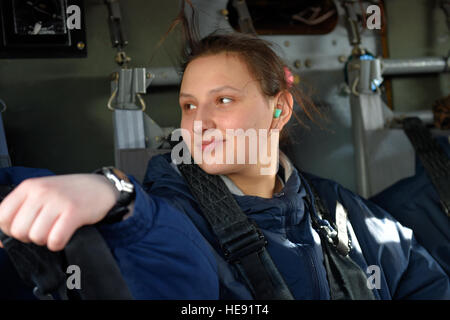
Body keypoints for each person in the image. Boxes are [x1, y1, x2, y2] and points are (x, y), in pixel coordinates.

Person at [0, 2, 449, 300]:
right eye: (188, 105)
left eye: (224, 100)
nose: (200, 121)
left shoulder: (348, 215)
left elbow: (422, 282)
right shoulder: (165, 214)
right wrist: (113, 193)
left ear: (280, 110)